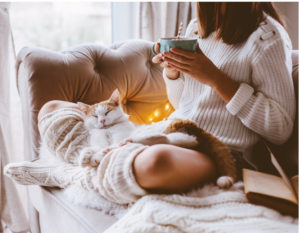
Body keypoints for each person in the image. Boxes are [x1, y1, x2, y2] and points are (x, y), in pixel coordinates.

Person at [38, 2, 295, 194]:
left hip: (221, 152)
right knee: (51, 108)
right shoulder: (198, 28)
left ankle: (80, 169)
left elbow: (280, 128)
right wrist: (173, 73)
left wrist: (216, 78)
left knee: (156, 164)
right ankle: (100, 162)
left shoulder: (266, 37)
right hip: (174, 132)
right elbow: (184, 103)